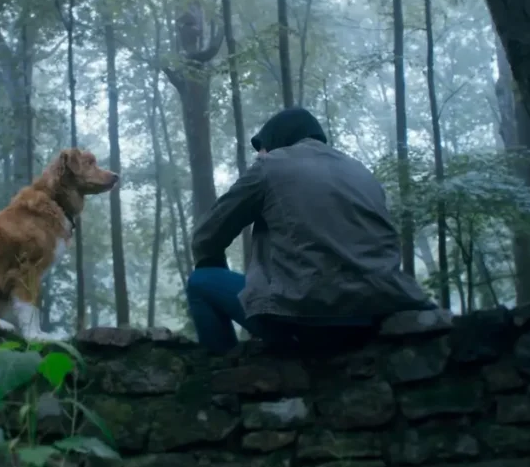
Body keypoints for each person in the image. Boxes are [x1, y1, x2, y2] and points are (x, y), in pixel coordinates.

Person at [186, 107, 437, 355]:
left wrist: (215, 265)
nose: (260, 154)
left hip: (305, 317)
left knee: (201, 281)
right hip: (377, 312)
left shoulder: (270, 167)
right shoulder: (361, 171)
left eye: (262, 146)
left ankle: (223, 374)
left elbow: (206, 237)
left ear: (277, 139)